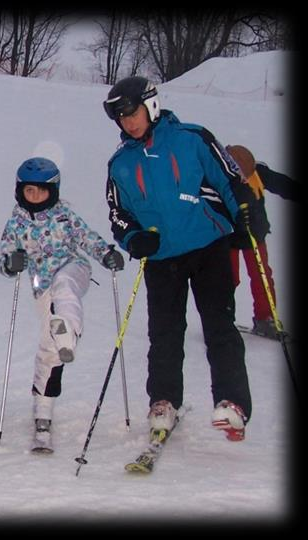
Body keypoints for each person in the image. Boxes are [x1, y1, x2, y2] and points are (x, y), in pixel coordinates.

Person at [103, 76, 256, 441]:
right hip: (162, 258)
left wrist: (246, 216)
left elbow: (229, 181)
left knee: (219, 325)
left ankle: (232, 402)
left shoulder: (192, 138)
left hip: (209, 246)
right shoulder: (119, 163)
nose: (129, 123)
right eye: (122, 118)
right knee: (165, 334)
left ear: (151, 105)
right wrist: (132, 236)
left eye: (133, 113)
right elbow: (117, 213)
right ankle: (164, 401)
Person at [0, 157, 124, 453]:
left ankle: (69, 332)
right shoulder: (15, 222)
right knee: (49, 348)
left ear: (52, 191)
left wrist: (105, 252)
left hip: (72, 267)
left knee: (65, 289)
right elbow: (5, 255)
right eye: (29, 191)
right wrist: (11, 262)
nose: (35, 197)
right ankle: (43, 411)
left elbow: (85, 236)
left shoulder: (63, 214)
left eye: (41, 192)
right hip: (41, 284)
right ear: (20, 191)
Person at [225, 144, 297, 338]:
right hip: (227, 236)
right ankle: (222, 318)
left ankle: (265, 319)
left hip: (255, 235)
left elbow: (281, 184)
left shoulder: (258, 172)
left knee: (262, 277)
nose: (243, 179)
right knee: (227, 278)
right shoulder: (218, 174)